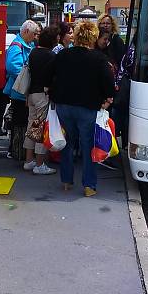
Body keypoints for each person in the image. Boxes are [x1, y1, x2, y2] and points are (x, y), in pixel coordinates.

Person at [44, 20, 115, 197]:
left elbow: (47, 75)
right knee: (88, 145)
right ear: (93, 37)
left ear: (76, 35)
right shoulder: (99, 59)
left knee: (67, 143)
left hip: (63, 106)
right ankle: (89, 185)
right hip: (88, 108)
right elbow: (108, 83)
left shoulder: (63, 55)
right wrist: (107, 99)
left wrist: (52, 91)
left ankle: (67, 181)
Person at [23, 26, 59, 175]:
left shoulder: (33, 52)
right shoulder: (51, 56)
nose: (58, 39)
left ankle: (28, 160)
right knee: (41, 129)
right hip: (43, 96)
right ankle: (39, 164)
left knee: (31, 127)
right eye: (56, 37)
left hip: (31, 94)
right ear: (51, 40)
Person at [4, 20, 39, 160]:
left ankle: (18, 150)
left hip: (22, 92)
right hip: (19, 92)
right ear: (25, 32)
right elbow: (13, 67)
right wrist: (29, 78)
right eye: (34, 33)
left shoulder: (26, 45)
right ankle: (16, 150)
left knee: (21, 122)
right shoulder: (17, 46)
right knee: (19, 122)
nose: (35, 36)